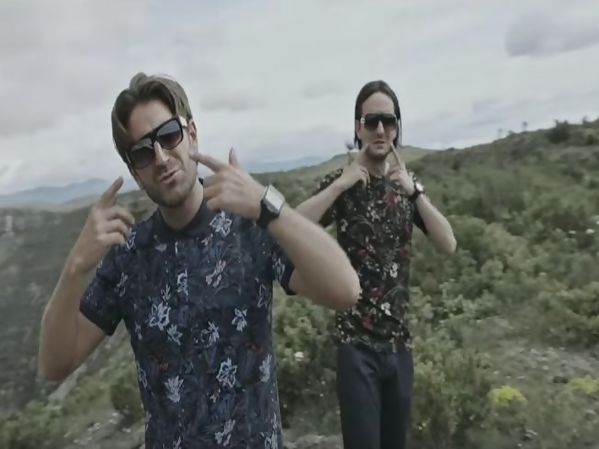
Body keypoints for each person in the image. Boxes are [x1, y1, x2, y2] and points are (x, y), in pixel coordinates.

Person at [38, 72, 361, 449]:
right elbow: (54, 364)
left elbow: (345, 290)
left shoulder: (250, 225)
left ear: (191, 133)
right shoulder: (128, 255)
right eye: (142, 152)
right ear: (135, 173)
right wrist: (75, 266)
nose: (161, 158)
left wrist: (268, 205)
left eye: (168, 135)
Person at [296, 80, 457, 449]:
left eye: (389, 121)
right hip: (356, 347)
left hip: (400, 347)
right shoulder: (342, 184)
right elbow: (292, 225)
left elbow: (448, 243)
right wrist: (340, 185)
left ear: (397, 127)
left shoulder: (407, 189)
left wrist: (415, 192)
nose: (380, 129)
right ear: (358, 128)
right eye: (372, 121)